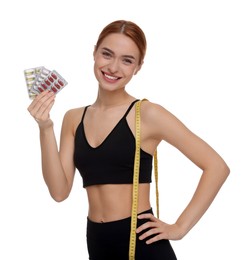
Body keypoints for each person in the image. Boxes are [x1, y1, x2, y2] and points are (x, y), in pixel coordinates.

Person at [27, 20, 230, 260]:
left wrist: (180, 227)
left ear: (138, 67)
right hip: (97, 242)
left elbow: (217, 167)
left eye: (127, 60)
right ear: (94, 52)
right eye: (107, 54)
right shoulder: (73, 118)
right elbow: (59, 192)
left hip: (144, 243)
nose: (113, 67)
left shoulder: (147, 114)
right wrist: (45, 127)